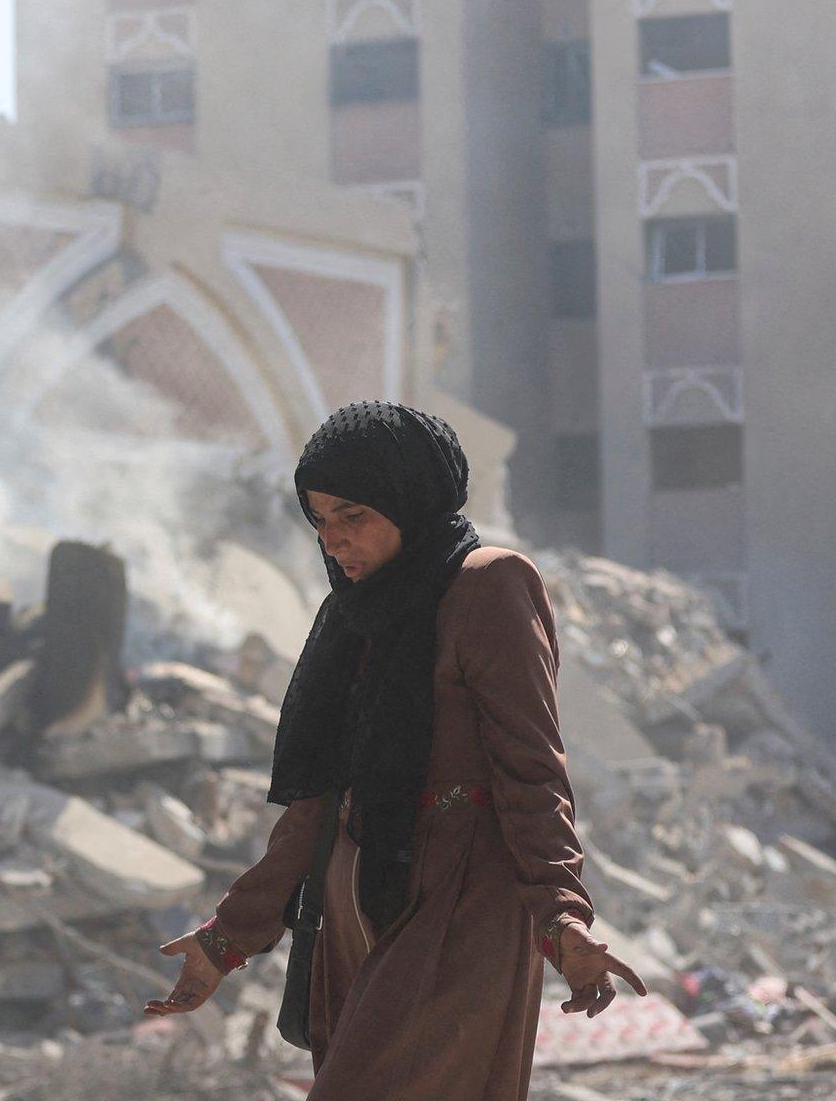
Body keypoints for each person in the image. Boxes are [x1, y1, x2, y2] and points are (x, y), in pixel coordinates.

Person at [143, 401, 647, 1099]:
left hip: (460, 905)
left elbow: (532, 771)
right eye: (320, 521)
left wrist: (562, 916)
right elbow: (319, 802)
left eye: (354, 516)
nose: (334, 541)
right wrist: (226, 939)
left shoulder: (488, 587)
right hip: (354, 905)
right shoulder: (355, 614)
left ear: (410, 498)